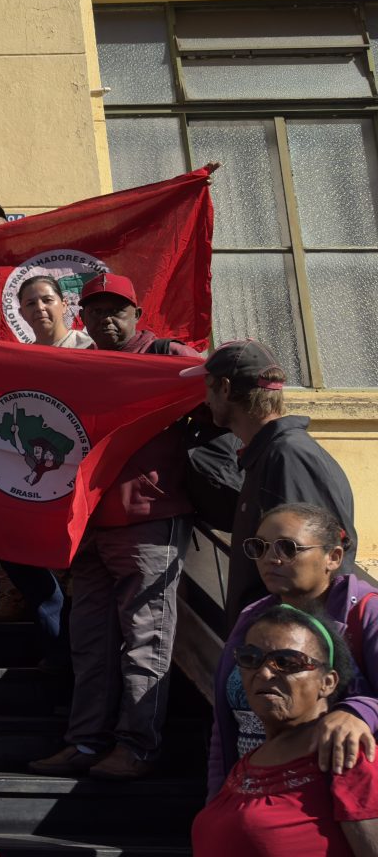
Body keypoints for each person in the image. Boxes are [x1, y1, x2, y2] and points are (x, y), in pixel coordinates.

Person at [28, 276, 203, 782]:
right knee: (89, 641)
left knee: (146, 639)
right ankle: (86, 741)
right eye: (97, 310)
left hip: (151, 519)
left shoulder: (167, 355)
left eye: (117, 310)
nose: (107, 319)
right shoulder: (79, 364)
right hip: (90, 523)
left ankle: (136, 747)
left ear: (137, 312)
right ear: (82, 315)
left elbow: (227, 382)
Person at [210, 505, 378, 799]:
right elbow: (223, 726)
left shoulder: (366, 613)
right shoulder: (253, 617)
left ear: (333, 557)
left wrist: (359, 711)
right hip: (246, 796)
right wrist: (217, 800)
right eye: (259, 547)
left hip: (323, 808)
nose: (271, 558)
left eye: (288, 548)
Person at [191, 340, 359, 628]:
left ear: (226, 389)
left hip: (287, 653)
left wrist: (286, 651)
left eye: (208, 387)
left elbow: (313, 566)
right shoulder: (269, 453)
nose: (205, 399)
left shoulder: (288, 456)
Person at [191, 606, 378, 852]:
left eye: (287, 662)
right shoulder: (246, 765)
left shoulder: (346, 756)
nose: (265, 672)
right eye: (250, 658)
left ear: (327, 682)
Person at [17, 274, 92, 349]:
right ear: (22, 313)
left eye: (47, 300)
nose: (39, 307)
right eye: (31, 303)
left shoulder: (92, 346)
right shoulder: (22, 358)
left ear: (64, 305)